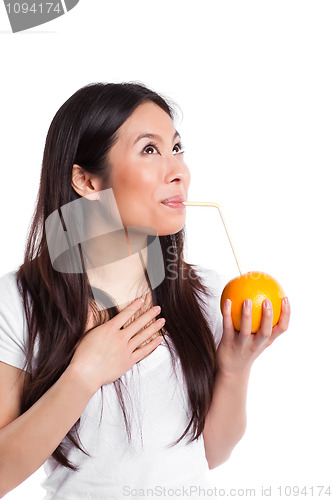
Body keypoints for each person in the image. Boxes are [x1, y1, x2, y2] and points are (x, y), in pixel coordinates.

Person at [0, 82, 290, 499]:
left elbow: (210, 454)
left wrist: (234, 367)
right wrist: (83, 374)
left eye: (177, 148)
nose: (178, 171)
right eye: (150, 150)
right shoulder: (19, 302)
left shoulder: (203, 293)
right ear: (85, 181)